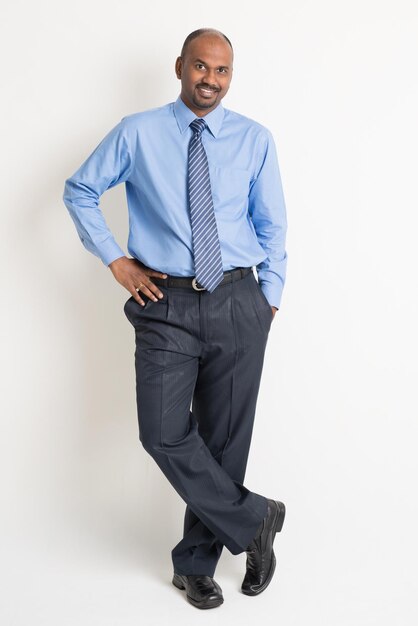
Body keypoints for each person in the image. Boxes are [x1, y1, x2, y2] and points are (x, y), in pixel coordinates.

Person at [63, 27, 288, 610]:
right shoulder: (137, 132)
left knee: (224, 442)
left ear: (229, 76)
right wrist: (115, 260)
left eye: (222, 71)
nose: (210, 80)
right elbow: (80, 189)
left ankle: (195, 566)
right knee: (161, 433)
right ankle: (256, 519)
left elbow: (273, 225)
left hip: (240, 299)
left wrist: (271, 297)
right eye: (200, 67)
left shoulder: (254, 138)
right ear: (180, 66)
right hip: (165, 303)